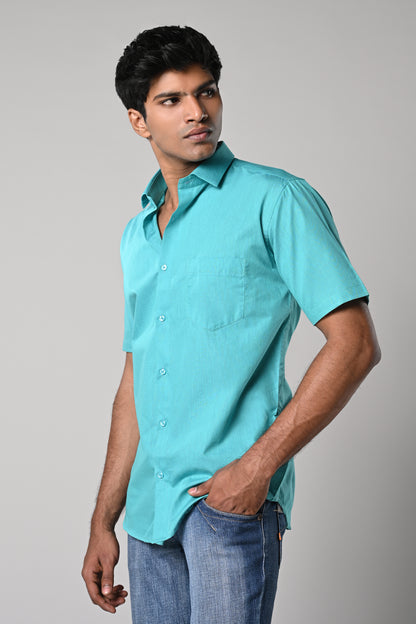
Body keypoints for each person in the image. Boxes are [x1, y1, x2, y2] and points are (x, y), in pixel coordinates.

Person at [81, 25, 381, 624]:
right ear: (139, 121)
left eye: (207, 91)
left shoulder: (277, 199)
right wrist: (103, 520)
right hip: (148, 512)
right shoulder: (137, 236)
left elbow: (355, 345)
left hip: (227, 504)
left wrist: (255, 469)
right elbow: (136, 380)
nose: (198, 112)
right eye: (172, 100)